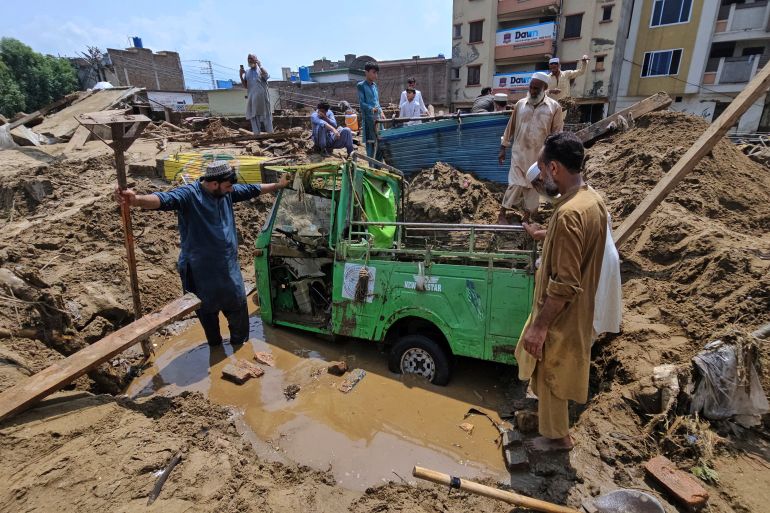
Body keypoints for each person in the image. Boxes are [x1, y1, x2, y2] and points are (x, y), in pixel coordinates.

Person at [114, 161, 291, 347]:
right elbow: (163, 199)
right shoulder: (190, 195)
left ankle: (240, 348)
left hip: (228, 269)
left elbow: (252, 189)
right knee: (207, 316)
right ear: (214, 184)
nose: (232, 190)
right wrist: (135, 200)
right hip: (200, 272)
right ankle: (215, 347)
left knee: (238, 312)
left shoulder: (226, 192)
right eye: (228, 186)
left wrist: (278, 186)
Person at [514, 132, 608, 453]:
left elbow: (565, 282)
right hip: (578, 308)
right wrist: (543, 234)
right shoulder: (590, 201)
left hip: (561, 313)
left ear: (554, 168)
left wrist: (540, 326)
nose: (541, 176)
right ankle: (554, 432)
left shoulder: (568, 215)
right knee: (552, 369)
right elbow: (571, 248)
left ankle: (557, 439)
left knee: (552, 371)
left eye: (542, 169)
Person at [524, 162, 622, 340]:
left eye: (538, 185)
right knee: (594, 313)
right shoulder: (582, 192)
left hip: (597, 259)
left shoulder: (568, 203)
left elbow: (565, 280)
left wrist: (538, 233)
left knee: (584, 320)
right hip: (604, 254)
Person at [497, 72, 563, 223]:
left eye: (536, 89)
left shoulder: (554, 108)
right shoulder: (520, 104)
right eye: (531, 87)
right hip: (519, 154)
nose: (532, 91)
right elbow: (510, 127)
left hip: (538, 157)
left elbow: (557, 133)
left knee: (534, 188)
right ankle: (502, 213)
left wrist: (553, 156)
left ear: (545, 88)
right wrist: (503, 147)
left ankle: (526, 217)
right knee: (514, 184)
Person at [240, 54, 273, 135]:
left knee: (267, 117)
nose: (250, 60)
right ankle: (257, 136)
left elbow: (266, 75)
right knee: (254, 117)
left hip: (263, 99)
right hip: (252, 99)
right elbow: (245, 86)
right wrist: (241, 75)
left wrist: (260, 66)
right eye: (248, 59)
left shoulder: (260, 70)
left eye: (251, 58)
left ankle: (270, 135)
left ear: (256, 59)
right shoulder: (247, 72)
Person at [357, 61, 384, 158]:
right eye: (373, 72)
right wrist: (370, 108)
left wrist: (382, 111)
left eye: (376, 73)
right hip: (369, 119)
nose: (375, 75)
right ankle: (372, 165)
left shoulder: (375, 86)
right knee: (371, 143)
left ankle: (379, 165)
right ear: (366, 72)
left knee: (380, 140)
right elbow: (362, 103)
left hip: (378, 117)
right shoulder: (361, 85)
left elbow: (377, 101)